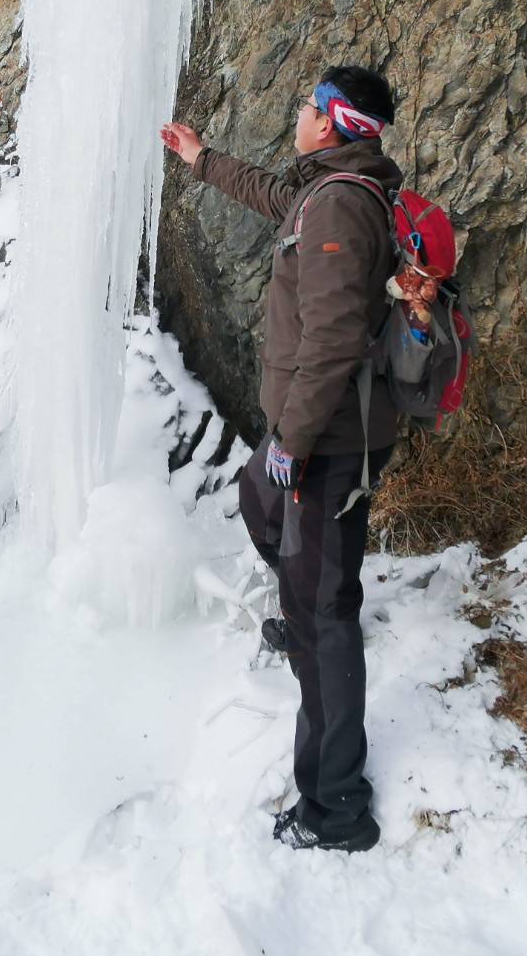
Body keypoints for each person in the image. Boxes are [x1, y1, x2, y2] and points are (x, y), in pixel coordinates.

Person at [161, 65, 402, 853]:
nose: (298, 112)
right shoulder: (326, 191)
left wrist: (292, 448)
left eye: (307, 105)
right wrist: (202, 159)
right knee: (257, 503)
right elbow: (274, 198)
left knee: (324, 618)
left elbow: (332, 341)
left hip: (325, 442)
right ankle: (302, 597)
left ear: (331, 123)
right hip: (305, 427)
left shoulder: (338, 203)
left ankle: (336, 806)